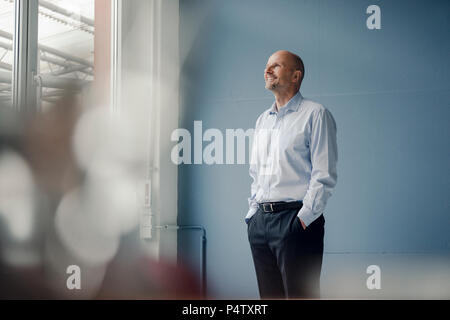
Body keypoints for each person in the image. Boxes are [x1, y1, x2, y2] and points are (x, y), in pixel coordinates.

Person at [246, 50, 338, 299]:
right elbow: (257, 173)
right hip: (261, 224)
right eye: (267, 66)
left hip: (295, 221)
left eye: (275, 66)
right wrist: (253, 216)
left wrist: (302, 220)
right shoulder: (262, 120)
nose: (267, 70)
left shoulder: (315, 114)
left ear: (296, 75)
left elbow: (324, 174)